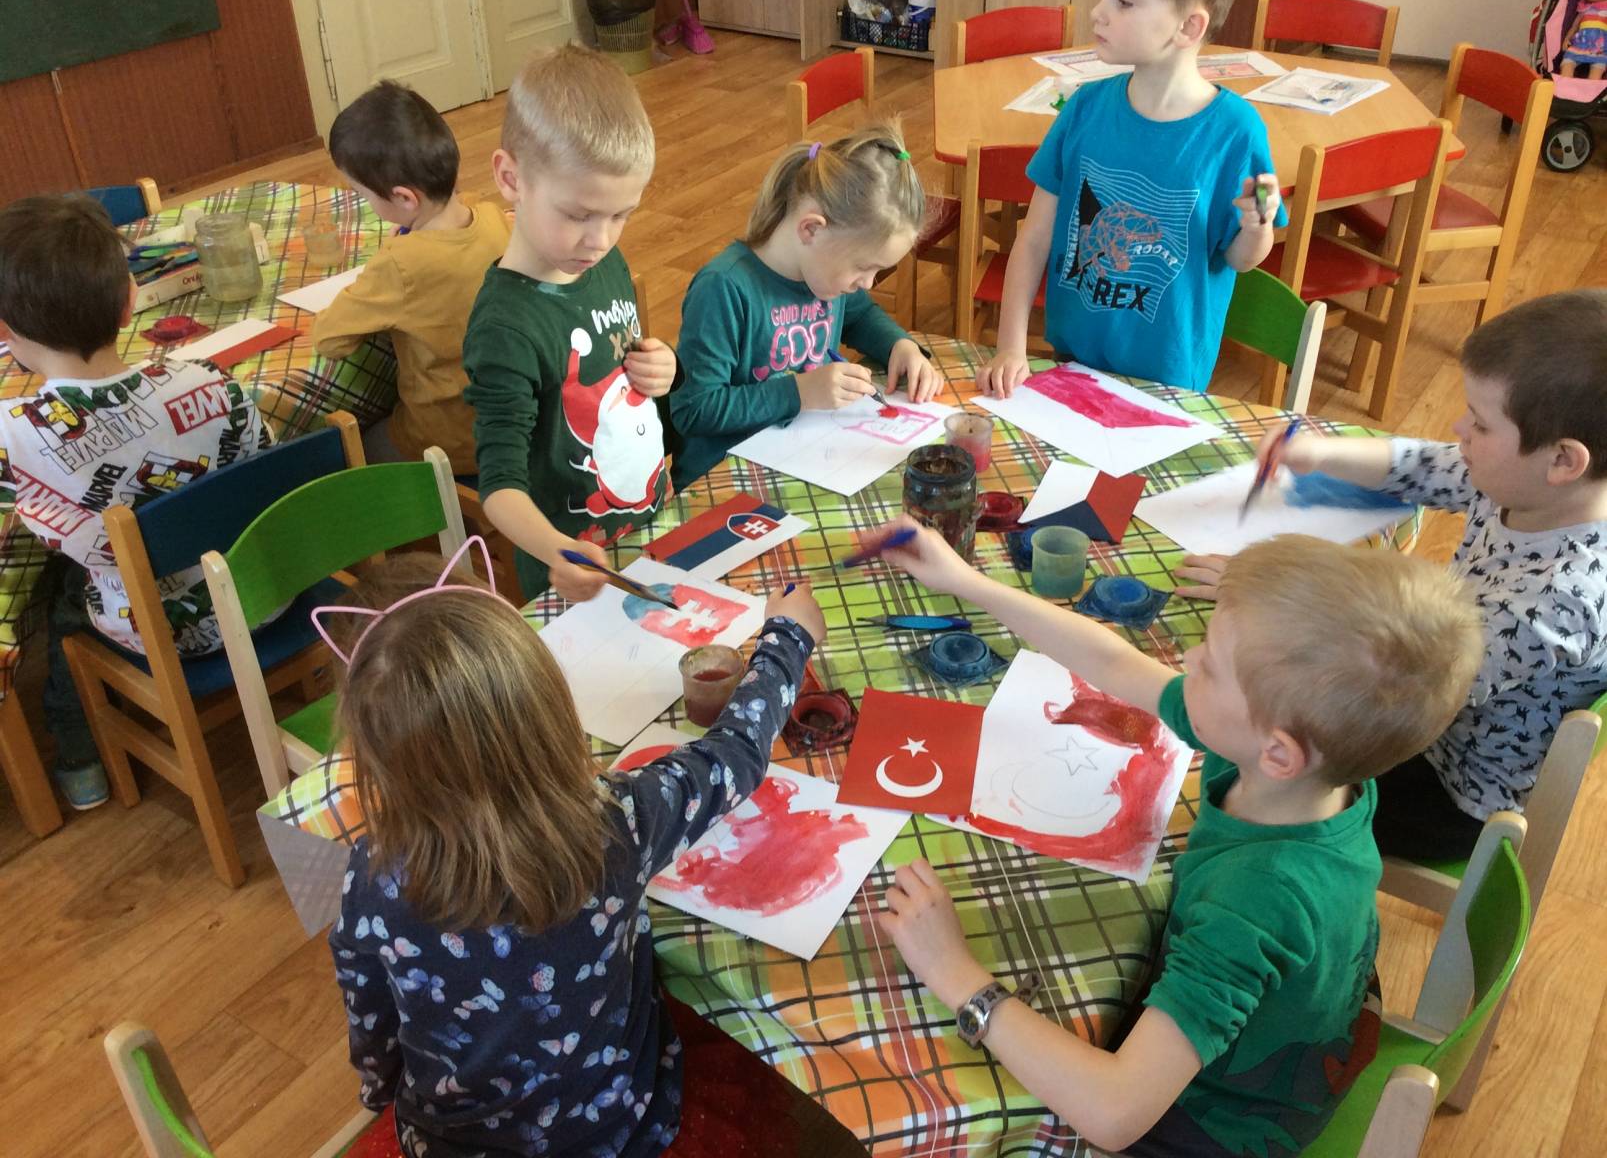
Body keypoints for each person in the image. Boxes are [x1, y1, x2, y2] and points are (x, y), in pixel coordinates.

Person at [862, 518, 1481, 1155]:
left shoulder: (1258, 899)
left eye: (1209, 666)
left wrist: (956, 974)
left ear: (1279, 752)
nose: (1187, 661)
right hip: (1291, 1031)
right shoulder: (1312, 772)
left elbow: (1113, 1112)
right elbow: (1111, 660)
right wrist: (965, 581)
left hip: (1227, 1126)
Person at [321, 543, 865, 1158]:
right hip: (617, 1133)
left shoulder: (371, 878)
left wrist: (382, 1097)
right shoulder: (616, 824)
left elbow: (375, 1038)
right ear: (550, 706)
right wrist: (788, 636)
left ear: (374, 756)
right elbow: (734, 755)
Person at [1179, 290, 1607, 862]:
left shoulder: (1558, 601)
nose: (1458, 428)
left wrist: (1277, 592)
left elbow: (1397, 684)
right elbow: (1422, 466)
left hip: (1451, 789)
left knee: (1248, 751)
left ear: (1563, 460)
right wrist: (1320, 456)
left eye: (1480, 425)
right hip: (1422, 711)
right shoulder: (1528, 486)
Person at [0, 195, 272, 808]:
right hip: (264, 589)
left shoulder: (13, 435)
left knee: (68, 593)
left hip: (166, 632)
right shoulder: (212, 380)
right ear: (129, 302)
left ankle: (81, 760)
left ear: (4, 330)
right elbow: (264, 468)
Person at [977, 0, 1282, 399]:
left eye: (1123, 1)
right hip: (1071, 361)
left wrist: (1258, 227)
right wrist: (1010, 347)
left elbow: (1240, 259)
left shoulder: (1237, 131)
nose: (1098, 12)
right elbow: (1034, 239)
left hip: (1169, 384)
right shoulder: (1084, 108)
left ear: (1188, 27)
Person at [463, 45, 676, 601]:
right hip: (574, 572)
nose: (600, 239)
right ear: (510, 178)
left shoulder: (601, 262)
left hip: (652, 526)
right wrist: (556, 550)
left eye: (621, 215)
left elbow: (624, 370)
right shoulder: (505, 328)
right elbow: (500, 486)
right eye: (578, 215)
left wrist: (663, 366)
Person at [670, 122, 941, 486]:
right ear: (811, 229)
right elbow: (694, 409)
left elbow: (860, 316)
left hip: (801, 460)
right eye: (864, 267)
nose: (868, 283)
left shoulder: (822, 274)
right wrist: (799, 392)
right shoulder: (724, 288)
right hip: (724, 480)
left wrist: (899, 346)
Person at [312, 79, 511, 475]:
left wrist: (388, 258)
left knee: (349, 452)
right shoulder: (494, 220)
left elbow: (329, 339)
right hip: (514, 425)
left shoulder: (400, 264)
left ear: (404, 198)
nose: (367, 203)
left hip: (449, 442)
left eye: (364, 195)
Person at [1560, 0, 1607, 79]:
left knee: (1598, 68)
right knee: (1567, 62)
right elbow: (1575, 26)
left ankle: (1592, 87)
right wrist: (1567, 39)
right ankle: (1565, 83)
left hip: (1600, 48)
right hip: (1579, 44)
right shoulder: (1584, 7)